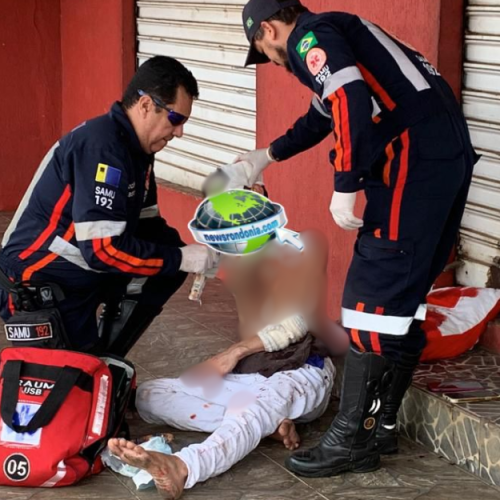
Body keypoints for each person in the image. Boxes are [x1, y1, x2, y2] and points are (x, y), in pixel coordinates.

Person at [236, 0, 478, 477]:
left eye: (264, 50)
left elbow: (345, 96)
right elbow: (323, 115)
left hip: (413, 162)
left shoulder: (310, 37)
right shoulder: (342, 31)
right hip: (444, 156)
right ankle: (380, 425)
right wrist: (266, 155)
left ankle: (352, 439)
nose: (273, 61)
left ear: (268, 28)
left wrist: (344, 185)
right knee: (401, 301)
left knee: (369, 298)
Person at [108, 223, 348, 499]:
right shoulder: (247, 271)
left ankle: (183, 466)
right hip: (255, 373)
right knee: (149, 395)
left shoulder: (307, 245)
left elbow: (298, 324)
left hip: (301, 370)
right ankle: (263, 426)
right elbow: (253, 333)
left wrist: (231, 354)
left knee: (254, 408)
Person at [0, 56, 217, 356]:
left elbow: (147, 222)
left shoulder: (137, 149)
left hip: (79, 263)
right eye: (176, 119)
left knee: (168, 253)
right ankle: (96, 358)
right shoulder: (102, 148)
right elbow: (102, 250)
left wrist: (206, 246)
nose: (179, 132)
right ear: (144, 106)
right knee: (73, 384)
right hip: (38, 277)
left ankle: (107, 356)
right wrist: (181, 258)